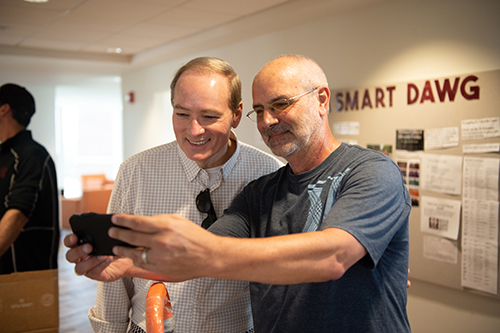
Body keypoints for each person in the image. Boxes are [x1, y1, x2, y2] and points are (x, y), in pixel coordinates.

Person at [69, 55, 411, 332]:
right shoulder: (261, 191)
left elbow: (333, 256)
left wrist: (194, 244)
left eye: (280, 104)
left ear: (321, 100)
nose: (268, 121)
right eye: (260, 111)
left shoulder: (372, 171)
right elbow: (199, 258)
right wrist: (132, 263)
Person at [65, 57, 283, 332]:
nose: (194, 130)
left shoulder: (269, 172)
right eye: (182, 114)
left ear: (237, 114)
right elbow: (115, 277)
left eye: (209, 116)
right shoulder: (136, 172)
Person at [0, 83, 59, 274]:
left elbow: (17, 213)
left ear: (4, 109)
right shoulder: (6, 154)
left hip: (25, 273)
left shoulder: (32, 155)